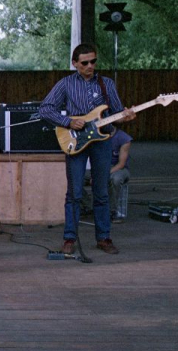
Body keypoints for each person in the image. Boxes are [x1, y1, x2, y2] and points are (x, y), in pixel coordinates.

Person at [39, 43, 135, 255]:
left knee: (101, 190)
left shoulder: (106, 84)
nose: (90, 66)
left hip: (102, 140)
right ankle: (70, 238)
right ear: (75, 63)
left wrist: (127, 115)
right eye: (85, 63)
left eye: (93, 61)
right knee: (74, 192)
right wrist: (67, 122)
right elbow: (45, 108)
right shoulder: (65, 84)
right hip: (76, 139)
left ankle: (104, 237)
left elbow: (117, 111)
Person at [82, 128, 132, 223]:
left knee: (115, 179)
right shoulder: (94, 135)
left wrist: (101, 175)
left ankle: (112, 211)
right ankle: (88, 206)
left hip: (118, 168)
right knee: (75, 177)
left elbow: (121, 164)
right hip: (98, 166)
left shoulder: (124, 138)